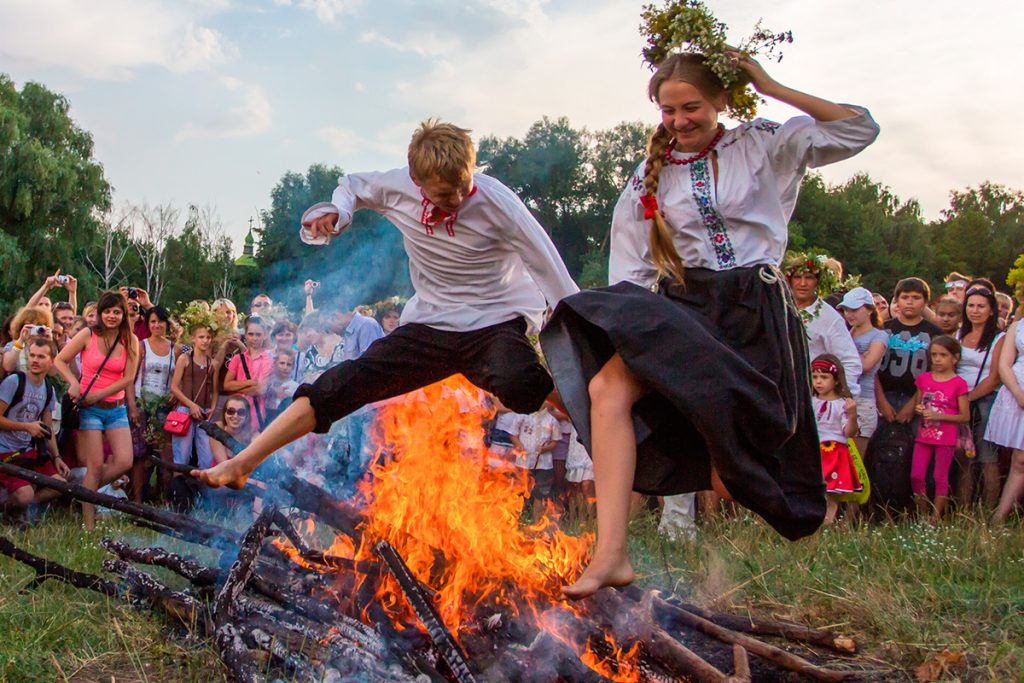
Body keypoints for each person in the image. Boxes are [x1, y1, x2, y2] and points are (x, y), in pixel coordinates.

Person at [538, 50, 878, 597]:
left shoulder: (763, 143)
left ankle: (752, 527)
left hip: (753, 313)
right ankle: (611, 556)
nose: (678, 122)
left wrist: (767, 83)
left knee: (734, 472)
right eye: (667, 110)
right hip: (685, 310)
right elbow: (629, 268)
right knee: (606, 388)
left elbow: (859, 128)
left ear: (722, 100)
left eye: (691, 107)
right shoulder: (649, 176)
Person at [195, 119, 578, 491]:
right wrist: (340, 212)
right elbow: (352, 186)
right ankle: (242, 463)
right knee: (335, 388)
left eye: (464, 187)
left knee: (522, 381)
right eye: (445, 195)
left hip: (493, 322)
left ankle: (596, 421)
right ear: (418, 182)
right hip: (431, 324)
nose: (459, 200)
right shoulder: (398, 186)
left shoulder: (498, 203)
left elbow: (550, 268)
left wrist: (585, 338)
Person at [54, 291, 140, 530]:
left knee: (124, 461)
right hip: (89, 410)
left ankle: (83, 493)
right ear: (100, 313)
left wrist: (99, 394)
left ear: (123, 314)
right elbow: (59, 360)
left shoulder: (130, 340)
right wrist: (74, 382)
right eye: (107, 311)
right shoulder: (88, 334)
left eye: (117, 311)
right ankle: (89, 526)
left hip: (115, 408)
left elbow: (129, 377)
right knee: (95, 466)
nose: (111, 316)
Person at [0, 339, 69, 516]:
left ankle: (24, 507)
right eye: (31, 355)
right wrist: (26, 427)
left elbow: (47, 429)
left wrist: (57, 457)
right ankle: (11, 508)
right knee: (25, 494)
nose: (35, 360)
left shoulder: (48, 389)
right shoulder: (14, 381)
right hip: (5, 452)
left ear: (52, 361)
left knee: (60, 485)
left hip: (29, 453)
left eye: (41, 356)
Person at [908, 336, 969, 523]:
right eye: (934, 355)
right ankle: (923, 514)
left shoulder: (959, 383)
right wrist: (919, 410)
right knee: (916, 475)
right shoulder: (924, 378)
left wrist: (939, 416)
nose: (937, 359)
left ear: (955, 358)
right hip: (924, 435)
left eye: (943, 355)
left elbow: (965, 416)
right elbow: (919, 403)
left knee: (940, 477)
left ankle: (935, 518)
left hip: (946, 437)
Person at [955, 285, 1005, 508]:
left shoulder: (999, 338)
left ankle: (988, 510)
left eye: (981, 306)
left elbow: (995, 377)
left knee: (987, 458)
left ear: (991, 310)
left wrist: (969, 398)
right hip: (958, 400)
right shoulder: (959, 333)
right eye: (971, 305)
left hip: (985, 400)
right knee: (965, 457)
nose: (975, 311)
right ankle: (963, 509)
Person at [785, 252, 863, 394]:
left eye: (809, 277)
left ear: (818, 281)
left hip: (812, 393)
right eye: (797, 277)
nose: (802, 283)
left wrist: (840, 398)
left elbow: (850, 361)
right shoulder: (780, 309)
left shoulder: (829, 317)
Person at [876, 278, 942, 427]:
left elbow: (936, 372)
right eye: (905, 297)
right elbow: (871, 369)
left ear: (925, 302)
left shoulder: (935, 333)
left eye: (916, 298)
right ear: (896, 300)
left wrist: (913, 405)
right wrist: (881, 401)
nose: (910, 302)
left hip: (918, 399)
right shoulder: (883, 330)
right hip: (884, 395)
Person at [127, 306, 176, 503]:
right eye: (152, 321)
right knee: (140, 454)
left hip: (164, 407)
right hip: (142, 402)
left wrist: (175, 393)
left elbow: (180, 375)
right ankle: (137, 499)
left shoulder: (176, 348)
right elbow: (129, 378)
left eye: (160, 321)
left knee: (165, 455)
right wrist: (132, 406)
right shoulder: (141, 345)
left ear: (167, 323)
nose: (157, 325)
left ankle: (164, 498)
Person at [810, 354, 860, 524]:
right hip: (814, 451)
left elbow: (849, 432)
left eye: (824, 377)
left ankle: (827, 522)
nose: (818, 382)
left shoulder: (843, 404)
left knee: (831, 493)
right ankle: (815, 522)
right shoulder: (810, 402)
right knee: (814, 490)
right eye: (815, 377)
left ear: (837, 380)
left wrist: (852, 416)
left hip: (834, 452)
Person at [839, 287, 888, 457]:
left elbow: (866, 365)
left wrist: (848, 353)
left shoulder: (879, 336)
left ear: (869, 310)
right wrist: (859, 354)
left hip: (863, 401)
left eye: (854, 309)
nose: (849, 314)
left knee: (855, 460)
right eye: (846, 310)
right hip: (843, 399)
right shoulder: (846, 333)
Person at [986, 318, 1024, 523]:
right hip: (1017, 388)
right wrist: (1018, 393)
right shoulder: (1018, 326)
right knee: (1019, 459)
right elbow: (1004, 364)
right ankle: (999, 518)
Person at [168, 321, 217, 471]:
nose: (205, 340)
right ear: (193, 338)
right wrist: (191, 405)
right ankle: (178, 491)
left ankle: (202, 492)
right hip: (185, 410)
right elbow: (174, 388)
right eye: (201, 337)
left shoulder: (212, 363)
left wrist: (212, 409)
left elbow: (214, 391)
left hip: (204, 412)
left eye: (208, 337)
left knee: (207, 458)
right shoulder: (185, 358)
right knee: (181, 456)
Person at [223, 317, 274, 432]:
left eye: (258, 334)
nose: (254, 338)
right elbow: (226, 385)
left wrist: (236, 388)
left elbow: (260, 390)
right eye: (251, 334)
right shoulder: (237, 359)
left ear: (265, 335)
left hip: (256, 417)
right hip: (235, 416)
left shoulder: (268, 360)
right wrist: (249, 382)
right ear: (245, 335)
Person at [265, 348, 299, 421]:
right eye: (282, 363)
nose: (285, 367)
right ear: (275, 363)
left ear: (293, 367)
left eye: (289, 364)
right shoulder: (268, 382)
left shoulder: (295, 387)